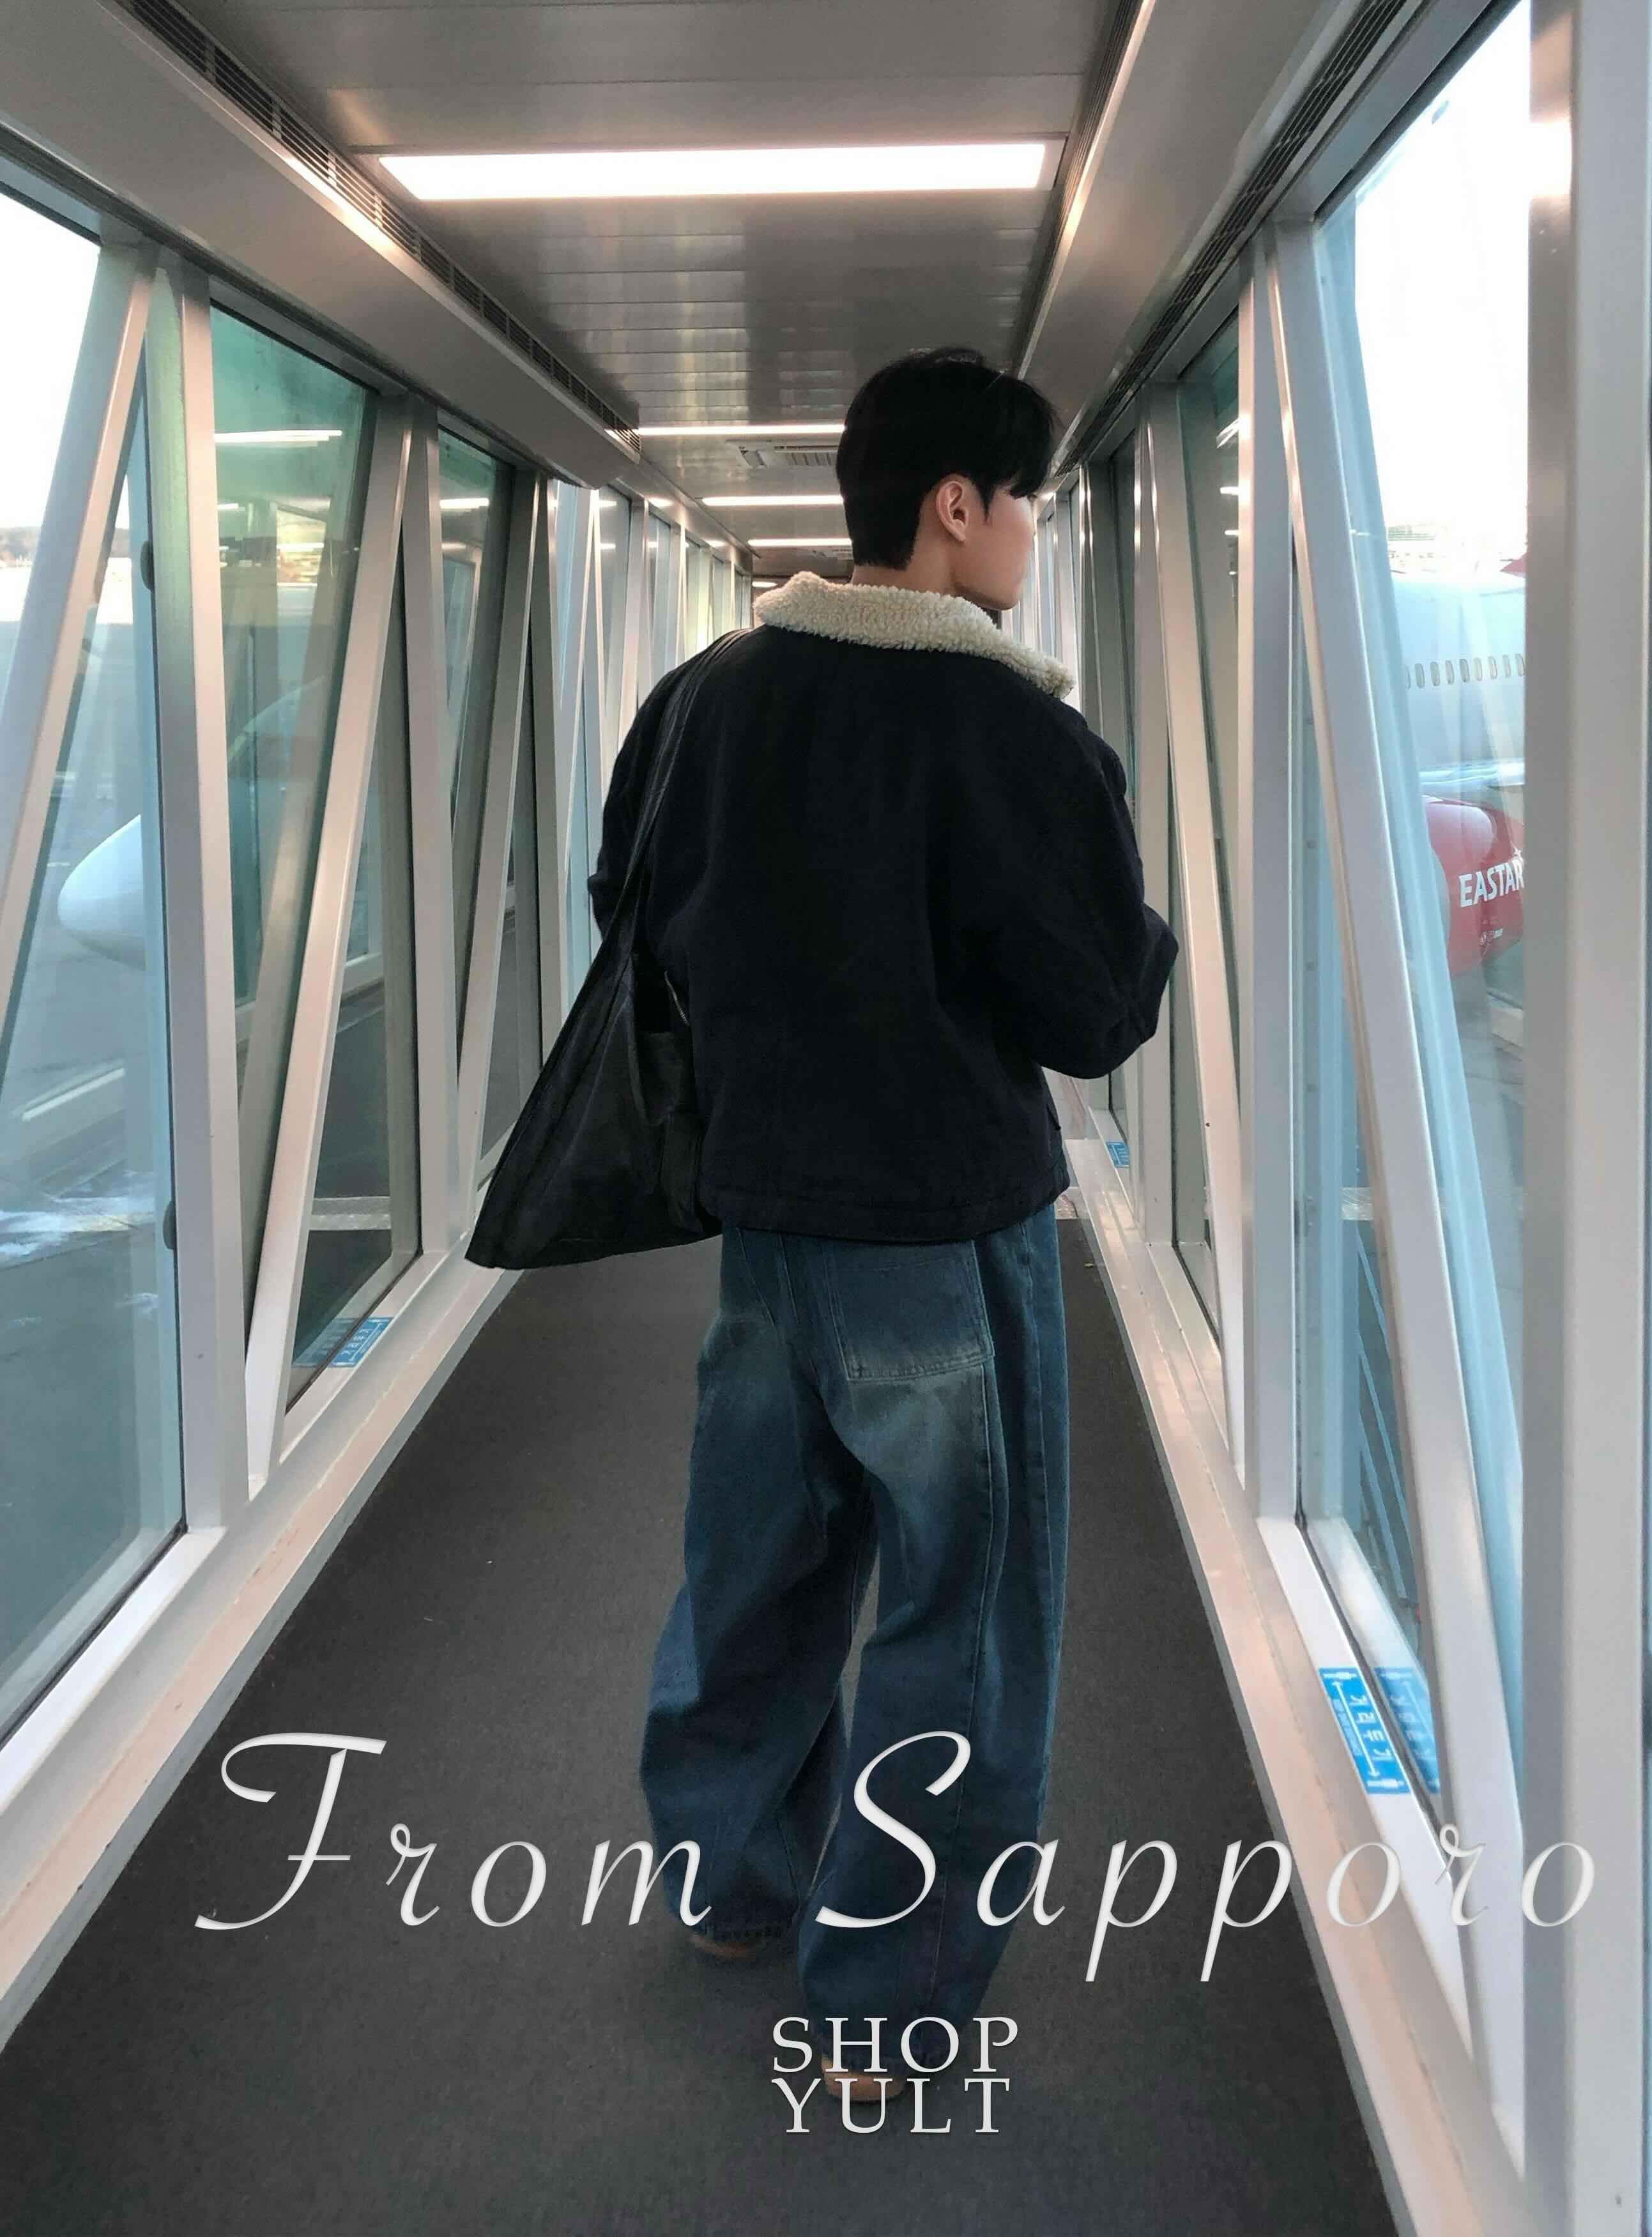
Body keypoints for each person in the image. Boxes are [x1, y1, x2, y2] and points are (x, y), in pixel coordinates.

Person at [588, 346, 1177, 2103]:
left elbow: (630, 909)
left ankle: (731, 1880)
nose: (1033, 535)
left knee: (754, 1564)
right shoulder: (1012, 727)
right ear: (955, 505)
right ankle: (886, 1999)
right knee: (959, 1609)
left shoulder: (701, 698)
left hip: (765, 1217)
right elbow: (1093, 1011)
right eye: (1028, 503)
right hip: (943, 1232)